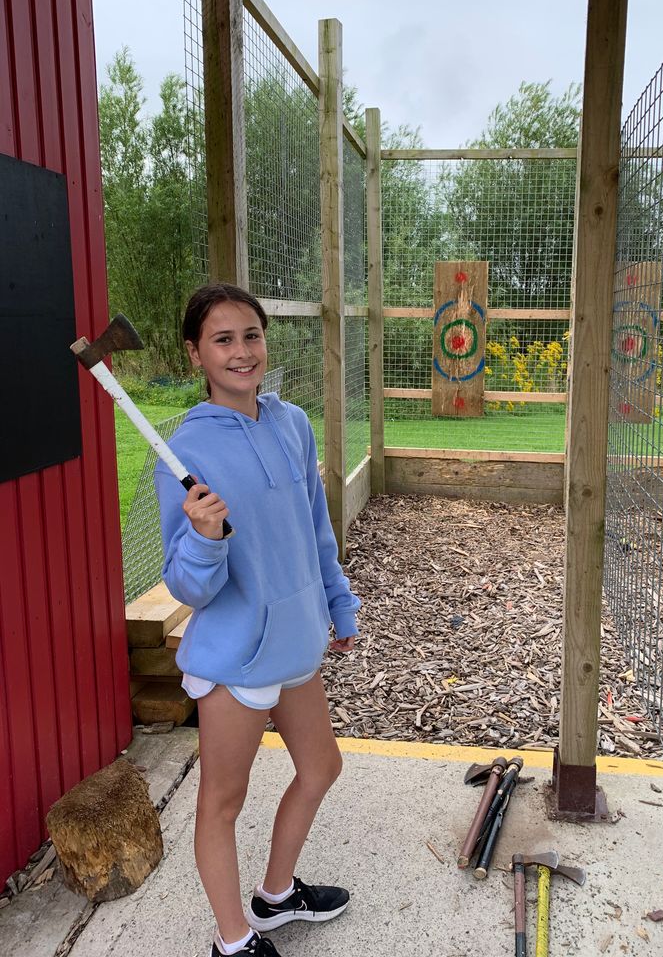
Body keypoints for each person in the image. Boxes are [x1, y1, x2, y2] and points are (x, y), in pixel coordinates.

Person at [154, 283, 361, 957]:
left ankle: (274, 898)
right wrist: (207, 538)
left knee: (321, 767)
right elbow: (186, 584)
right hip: (234, 661)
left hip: (297, 644)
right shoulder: (184, 456)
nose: (241, 352)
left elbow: (314, 528)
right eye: (223, 339)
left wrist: (337, 602)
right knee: (222, 801)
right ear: (195, 354)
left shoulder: (293, 423)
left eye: (251, 335)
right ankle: (233, 941)